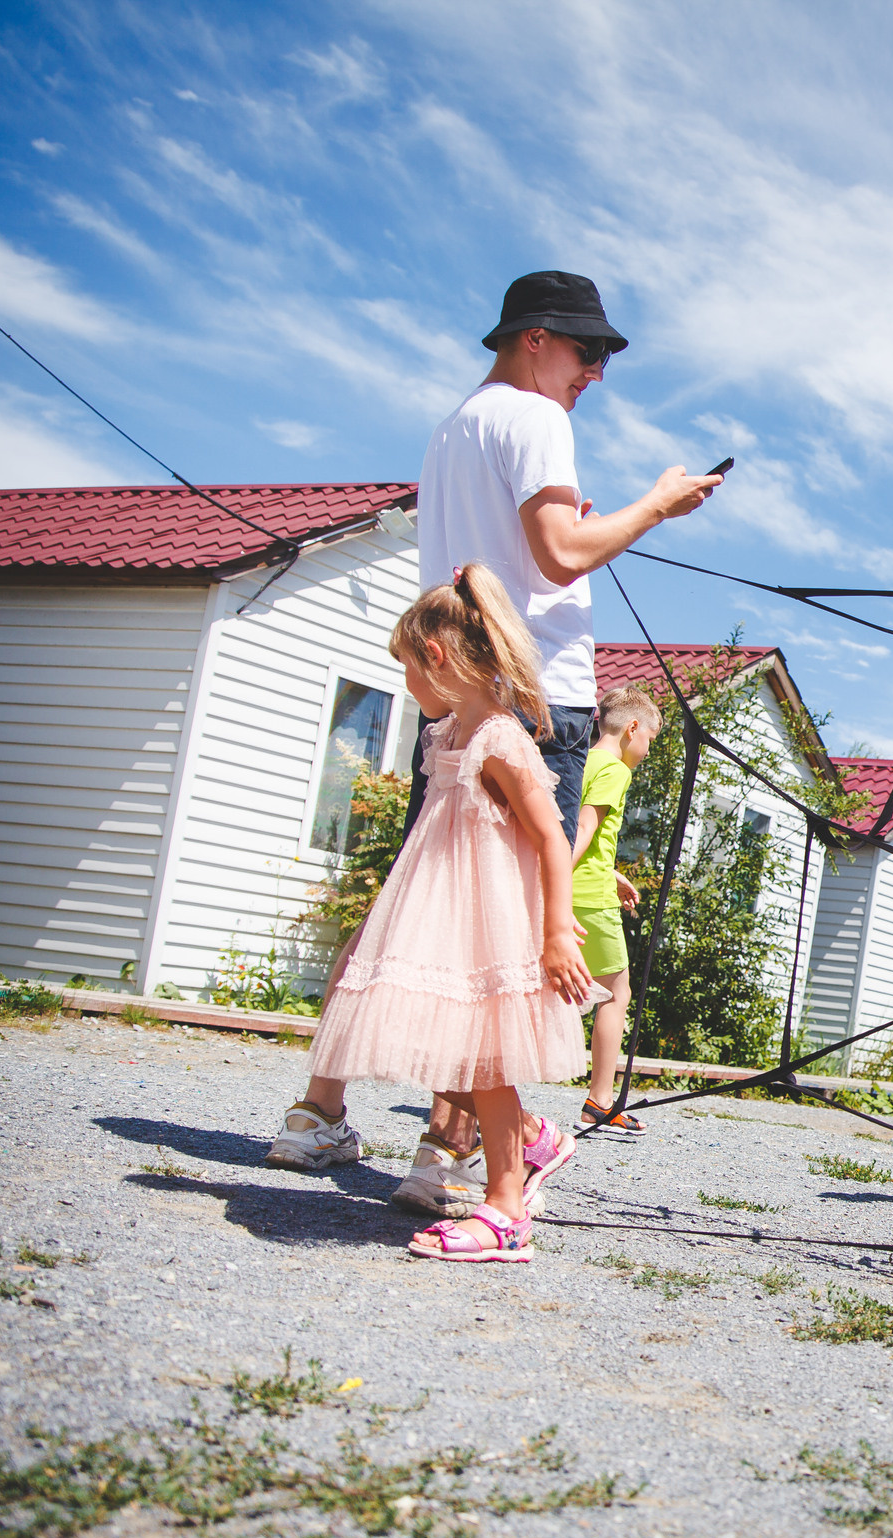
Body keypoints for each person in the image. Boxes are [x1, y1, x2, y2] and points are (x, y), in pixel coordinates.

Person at [267, 271, 721, 1206]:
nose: (596, 371)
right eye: (589, 351)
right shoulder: (536, 419)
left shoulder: (453, 430)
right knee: (497, 934)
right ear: (535, 339)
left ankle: (319, 1111)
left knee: (420, 904)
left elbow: (520, 550)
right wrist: (657, 505)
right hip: (532, 694)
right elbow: (559, 552)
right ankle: (449, 1153)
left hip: (457, 699)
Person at [306, 564, 594, 1261]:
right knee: (428, 1051)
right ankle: (532, 1138)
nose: (407, 687)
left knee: (483, 1061)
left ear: (436, 657)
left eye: (407, 669)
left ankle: (505, 1212)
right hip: (434, 916)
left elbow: (552, 839)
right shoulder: (448, 737)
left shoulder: (501, 739)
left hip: (482, 921)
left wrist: (555, 930)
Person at [571, 684, 660, 1133]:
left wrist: (614, 874)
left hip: (583, 885)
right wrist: (555, 884)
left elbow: (580, 833)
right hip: (588, 900)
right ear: (631, 728)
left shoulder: (582, 760)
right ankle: (600, 1100)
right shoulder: (615, 770)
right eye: (649, 740)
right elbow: (586, 826)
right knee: (615, 993)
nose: (646, 751)